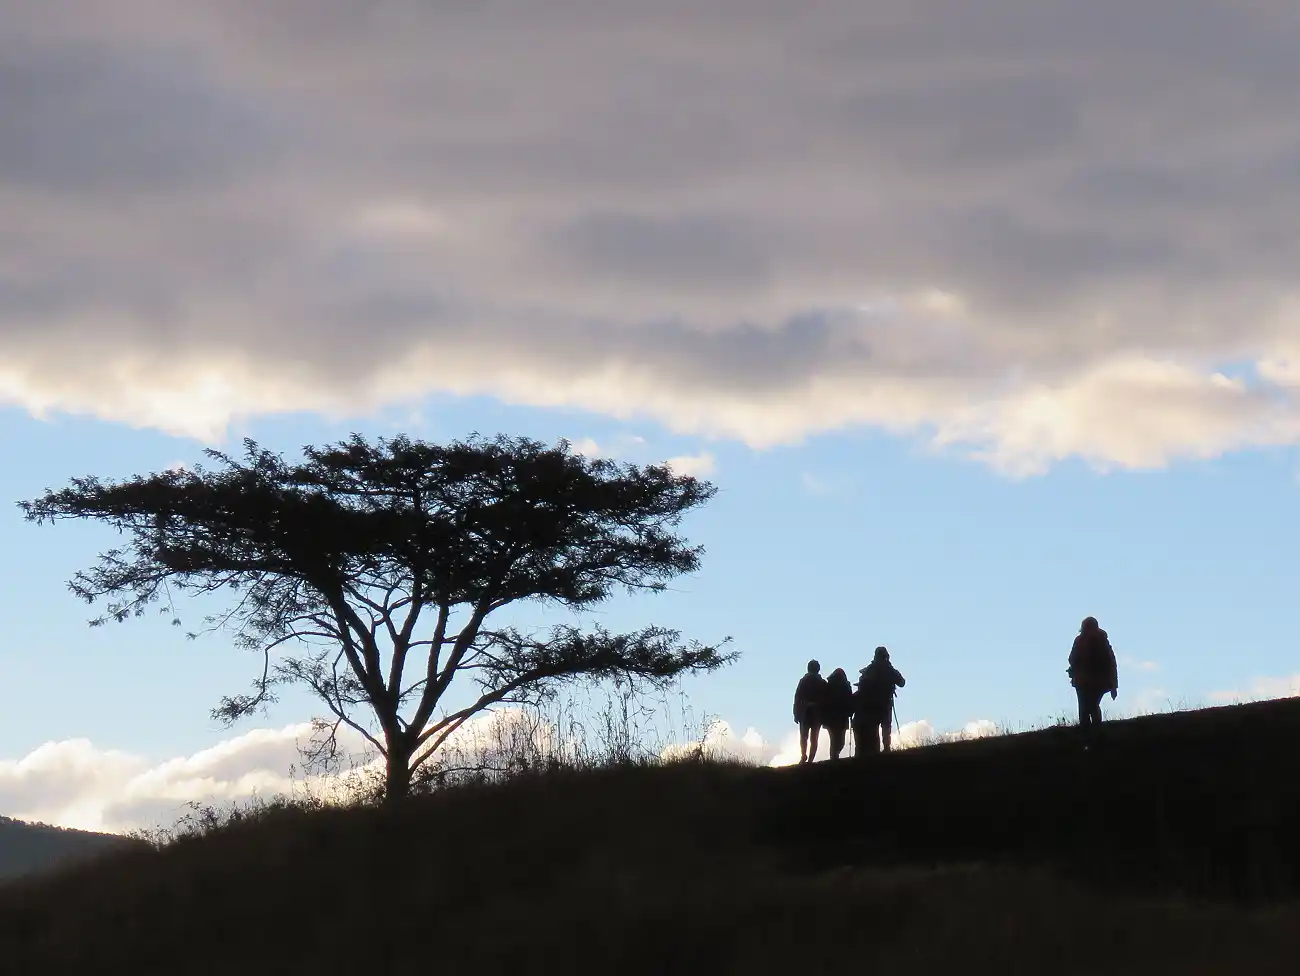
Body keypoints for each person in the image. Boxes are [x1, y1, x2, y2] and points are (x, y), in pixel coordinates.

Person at [1068, 616, 1118, 749]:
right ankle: (1091, 739)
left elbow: (1110, 663)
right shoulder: (1089, 640)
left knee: (1088, 708)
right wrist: (1113, 685)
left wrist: (1113, 685)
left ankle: (1092, 740)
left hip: (1091, 681)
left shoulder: (1095, 641)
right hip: (1087, 681)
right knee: (1088, 709)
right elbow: (1111, 663)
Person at [853, 646, 906, 755]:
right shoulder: (888, 669)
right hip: (885, 702)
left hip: (871, 704)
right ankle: (886, 748)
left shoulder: (870, 669)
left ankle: (876, 750)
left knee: (874, 727)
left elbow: (862, 684)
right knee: (886, 726)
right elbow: (901, 682)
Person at [793, 659, 828, 763]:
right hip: (815, 713)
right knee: (813, 737)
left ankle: (804, 756)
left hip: (806, 712)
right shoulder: (822, 682)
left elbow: (797, 698)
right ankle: (809, 758)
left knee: (804, 736)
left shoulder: (804, 681)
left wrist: (796, 713)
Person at [822, 667, 854, 760]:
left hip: (831, 718)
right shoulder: (845, 686)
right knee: (840, 740)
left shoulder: (829, 686)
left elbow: (824, 701)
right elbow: (849, 700)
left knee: (834, 739)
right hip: (840, 717)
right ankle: (834, 757)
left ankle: (834, 756)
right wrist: (850, 712)